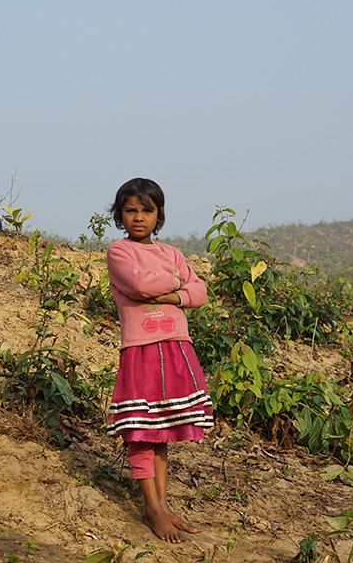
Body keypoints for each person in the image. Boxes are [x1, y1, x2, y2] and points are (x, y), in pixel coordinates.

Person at [105, 178, 214, 543]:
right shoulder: (119, 252)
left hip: (175, 348)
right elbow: (138, 285)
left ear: (159, 215)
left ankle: (164, 504)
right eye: (131, 210)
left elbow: (199, 292)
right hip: (140, 349)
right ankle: (151, 508)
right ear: (121, 215)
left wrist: (175, 295)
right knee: (141, 431)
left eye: (147, 211)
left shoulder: (171, 252)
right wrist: (175, 285)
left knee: (163, 429)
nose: (139, 218)